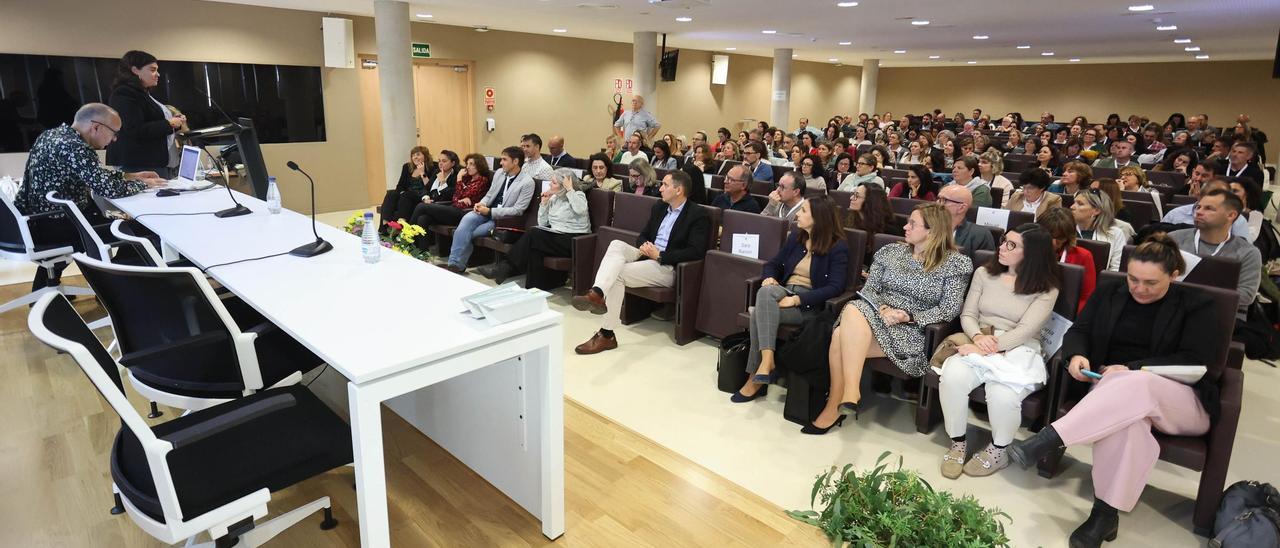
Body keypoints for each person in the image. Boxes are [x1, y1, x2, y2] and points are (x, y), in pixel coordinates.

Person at [1008, 236, 1223, 548]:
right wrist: (1076, 356)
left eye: (1151, 282)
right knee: (1130, 426)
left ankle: (1050, 438)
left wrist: (1132, 368)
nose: (1138, 288)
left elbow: (1199, 360)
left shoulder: (1198, 304)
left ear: (1175, 275)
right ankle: (1104, 516)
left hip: (1182, 402)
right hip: (1117, 395)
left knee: (1139, 382)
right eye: (1133, 279)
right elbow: (1079, 331)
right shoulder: (1111, 292)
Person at [807, 203, 972, 434]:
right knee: (855, 308)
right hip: (874, 315)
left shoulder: (955, 264)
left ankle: (836, 404)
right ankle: (850, 393)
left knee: (839, 335)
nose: (905, 227)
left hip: (911, 331)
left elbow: (949, 309)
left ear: (932, 231)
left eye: (912, 224)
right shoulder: (891, 252)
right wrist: (883, 308)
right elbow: (869, 289)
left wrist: (910, 316)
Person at [938, 224, 1060, 479]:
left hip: (1018, 349)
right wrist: (980, 337)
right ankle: (958, 442)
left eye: (1012, 245)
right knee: (952, 377)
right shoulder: (984, 273)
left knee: (1003, 393)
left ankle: (998, 450)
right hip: (979, 339)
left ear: (1033, 254)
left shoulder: (1046, 289)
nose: (1002, 247)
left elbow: (1027, 329)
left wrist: (991, 347)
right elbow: (969, 314)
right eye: (1004, 241)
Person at [13, 103, 165, 292]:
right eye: (114, 133)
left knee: (118, 222)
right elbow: (108, 189)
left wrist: (131, 176)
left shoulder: (51, 136)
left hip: (37, 222)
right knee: (140, 230)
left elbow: (92, 174)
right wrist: (145, 184)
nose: (115, 139)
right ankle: (116, 289)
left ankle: (42, 288)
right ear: (96, 127)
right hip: (60, 226)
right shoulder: (76, 147)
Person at [572, 170, 709, 354]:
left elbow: (696, 251)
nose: (660, 188)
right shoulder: (659, 207)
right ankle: (597, 293)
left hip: (667, 265)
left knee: (617, 274)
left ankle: (606, 333)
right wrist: (645, 245)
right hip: (646, 255)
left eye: (665, 185)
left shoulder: (697, 214)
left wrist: (660, 255)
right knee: (616, 244)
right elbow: (643, 234)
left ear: (678, 190)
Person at [732, 198, 849, 401]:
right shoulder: (796, 237)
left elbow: (835, 287)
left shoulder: (838, 247)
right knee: (766, 291)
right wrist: (770, 276)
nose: (797, 214)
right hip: (782, 291)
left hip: (808, 305)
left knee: (759, 312)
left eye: (803, 211)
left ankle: (754, 378)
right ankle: (768, 360)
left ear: (818, 218)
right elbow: (773, 263)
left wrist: (797, 300)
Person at [477, 168, 590, 287]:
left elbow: (580, 209)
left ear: (564, 185)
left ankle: (505, 268)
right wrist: (544, 204)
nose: (550, 184)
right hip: (557, 236)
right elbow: (542, 223)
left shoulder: (578, 195)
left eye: (554, 182)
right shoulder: (555, 198)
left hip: (574, 239)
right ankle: (536, 286)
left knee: (534, 233)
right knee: (535, 246)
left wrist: (570, 189)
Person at [1168, 190, 1261, 320]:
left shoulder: (1248, 252)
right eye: (1198, 207)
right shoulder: (1173, 239)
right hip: (1173, 307)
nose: (1198, 212)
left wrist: (1193, 294)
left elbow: (1246, 294)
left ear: (1231, 215)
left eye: (1209, 208)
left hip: (1220, 315)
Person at [443, 146, 533, 274]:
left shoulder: (527, 182)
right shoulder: (499, 173)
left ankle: (459, 265)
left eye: (504, 159)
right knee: (466, 221)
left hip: (502, 220)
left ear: (516, 161)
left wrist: (490, 212)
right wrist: (481, 203)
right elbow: (490, 195)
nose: (500, 163)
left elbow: (518, 210)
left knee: (469, 233)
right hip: (486, 211)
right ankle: (453, 264)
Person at [105, 51, 184, 177]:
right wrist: (169, 123)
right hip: (140, 163)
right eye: (152, 70)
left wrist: (175, 122)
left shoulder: (144, 93)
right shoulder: (124, 93)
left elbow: (154, 122)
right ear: (135, 70)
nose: (157, 74)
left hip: (153, 162)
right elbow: (134, 128)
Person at [410, 153, 491, 249]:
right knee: (423, 218)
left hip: (464, 214)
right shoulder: (467, 179)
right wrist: (461, 198)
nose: (468, 167)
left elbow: (459, 196)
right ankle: (422, 251)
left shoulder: (482, 181)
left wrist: (459, 179)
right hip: (454, 209)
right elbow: (455, 197)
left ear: (479, 165)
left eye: (471, 164)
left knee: (421, 206)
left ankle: (407, 239)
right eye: (467, 164)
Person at [1039, 207, 1096, 313]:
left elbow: (1086, 299)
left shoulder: (1083, 256)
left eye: (1059, 238)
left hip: (1064, 315)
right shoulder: (1026, 249)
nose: (1053, 243)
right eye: (1049, 236)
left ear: (1068, 237)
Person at [1161, 178, 1250, 238]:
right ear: (1199, 196)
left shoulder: (1237, 220)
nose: (1200, 212)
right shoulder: (1175, 214)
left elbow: (1243, 249)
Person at [379, 146, 439, 226]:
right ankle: (385, 224)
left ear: (425, 156)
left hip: (423, 195)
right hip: (407, 194)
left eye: (418, 154)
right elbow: (400, 185)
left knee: (407, 195)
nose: (415, 157)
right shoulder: (407, 167)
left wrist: (422, 173)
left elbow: (430, 187)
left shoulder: (434, 167)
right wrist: (401, 192)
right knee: (391, 193)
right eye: (413, 155)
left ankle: (401, 224)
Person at [1072, 189, 1127, 271]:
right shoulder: (1064, 228)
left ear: (1096, 210)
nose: (1072, 207)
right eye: (1074, 202)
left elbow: (1116, 270)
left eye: (1080, 204)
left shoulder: (1115, 233)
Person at [937, 184, 996, 254]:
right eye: (938, 199)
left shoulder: (980, 235)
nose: (937, 203)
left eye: (944, 200)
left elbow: (987, 263)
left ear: (961, 208)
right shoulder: (926, 226)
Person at [1228, 177, 1264, 243]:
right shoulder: (1222, 211)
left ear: (1247, 193)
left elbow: (1249, 239)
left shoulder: (1255, 214)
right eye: (1228, 190)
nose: (1230, 194)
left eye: (1235, 191)